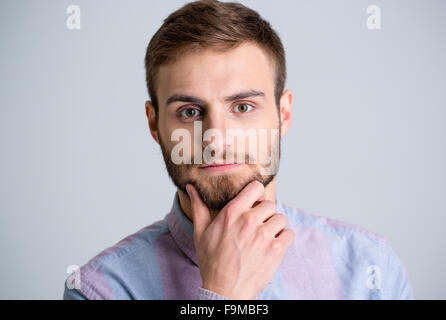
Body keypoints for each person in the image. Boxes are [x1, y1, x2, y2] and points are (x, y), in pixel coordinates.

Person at [63, 0, 414, 300]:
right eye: (189, 112)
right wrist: (222, 294)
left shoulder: (371, 271)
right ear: (155, 124)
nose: (216, 138)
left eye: (243, 107)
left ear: (284, 114)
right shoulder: (101, 289)